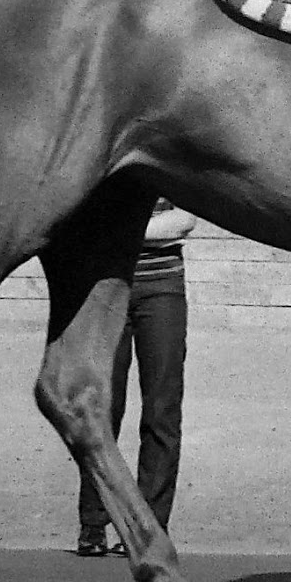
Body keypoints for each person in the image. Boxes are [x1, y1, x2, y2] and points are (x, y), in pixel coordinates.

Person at [76, 198, 196, 558]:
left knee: (162, 409)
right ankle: (94, 523)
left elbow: (184, 220)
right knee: (102, 411)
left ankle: (151, 527)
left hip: (163, 285)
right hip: (105, 287)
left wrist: (118, 230)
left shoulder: (173, 157)